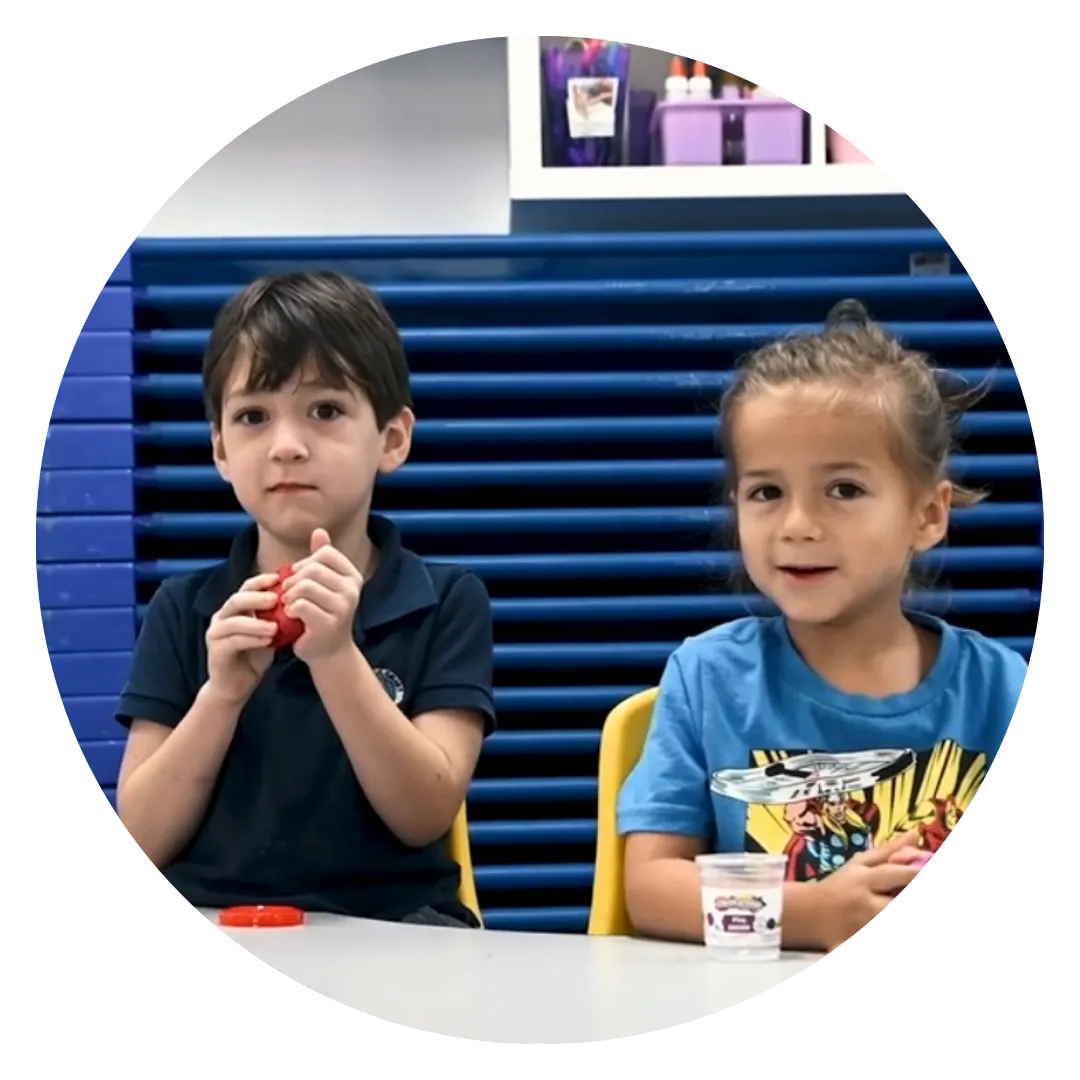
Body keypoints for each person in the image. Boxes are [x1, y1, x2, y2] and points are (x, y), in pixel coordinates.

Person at [617, 299, 1029, 953]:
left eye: (843, 489)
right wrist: (809, 913)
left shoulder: (1002, 690)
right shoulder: (708, 679)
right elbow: (650, 888)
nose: (797, 525)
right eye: (766, 492)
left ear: (928, 513)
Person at [114, 271, 495, 928]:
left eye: (325, 410)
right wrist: (222, 695)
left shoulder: (447, 600)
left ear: (393, 439)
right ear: (221, 450)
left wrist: (337, 657)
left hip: (396, 927)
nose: (287, 445)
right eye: (253, 417)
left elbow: (424, 812)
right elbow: (144, 837)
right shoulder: (183, 609)